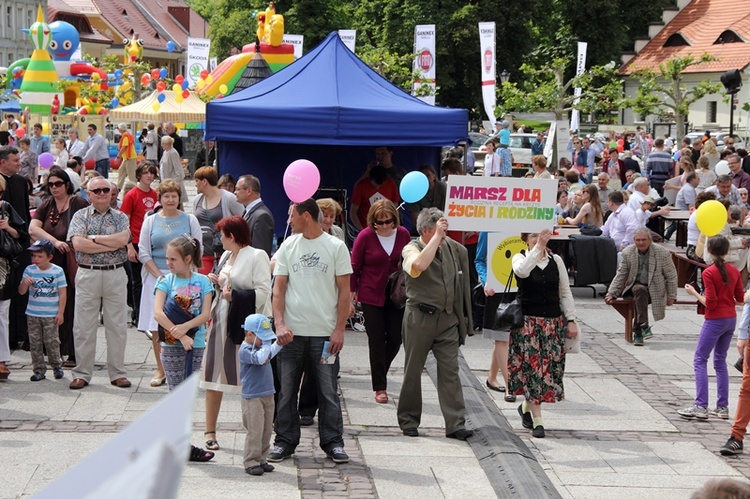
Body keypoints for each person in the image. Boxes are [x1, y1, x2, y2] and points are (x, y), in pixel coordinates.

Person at [269, 198, 352, 464]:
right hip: (291, 335)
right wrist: (279, 324)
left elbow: (344, 293)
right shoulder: (288, 246)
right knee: (286, 392)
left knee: (328, 392)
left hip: (325, 336)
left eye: (292, 215)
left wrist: (339, 330)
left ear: (305, 216)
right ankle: (284, 441)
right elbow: (278, 289)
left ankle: (333, 442)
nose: (289, 221)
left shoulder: (336, 247)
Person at [398, 208, 473, 440]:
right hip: (419, 318)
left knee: (450, 371)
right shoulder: (411, 248)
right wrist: (436, 240)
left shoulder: (454, 249)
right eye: (437, 232)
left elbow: (461, 284)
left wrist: (464, 319)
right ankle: (409, 420)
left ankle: (455, 423)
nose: (443, 236)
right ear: (424, 231)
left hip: (447, 320)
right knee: (413, 370)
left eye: (444, 231)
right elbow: (418, 266)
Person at [202, 216, 271, 452]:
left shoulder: (257, 255)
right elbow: (224, 286)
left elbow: (263, 292)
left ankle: (254, 433)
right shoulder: (224, 256)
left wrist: (234, 295)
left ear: (231, 236)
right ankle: (210, 431)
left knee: (248, 380)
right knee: (214, 374)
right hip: (221, 320)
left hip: (245, 327)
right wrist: (217, 282)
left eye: (222, 235)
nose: (219, 240)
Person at [510, 229, 578, 438]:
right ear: (525, 239)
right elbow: (522, 272)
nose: (538, 238)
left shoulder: (556, 260)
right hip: (528, 324)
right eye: (533, 236)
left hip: (552, 324)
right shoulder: (519, 257)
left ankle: (526, 408)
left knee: (547, 371)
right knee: (533, 371)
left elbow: (564, 291)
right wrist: (537, 247)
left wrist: (571, 319)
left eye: (540, 235)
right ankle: (538, 421)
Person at [153, 235, 215, 463]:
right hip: (171, 346)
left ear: (188, 258)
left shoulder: (203, 282)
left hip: (195, 343)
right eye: (167, 258)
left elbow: (206, 314)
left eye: (173, 259)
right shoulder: (165, 282)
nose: (168, 263)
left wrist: (185, 331)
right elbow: (158, 313)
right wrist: (179, 336)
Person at [67, 177, 131, 389]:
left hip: (115, 274)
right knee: (83, 326)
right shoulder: (79, 215)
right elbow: (78, 244)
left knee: (117, 326)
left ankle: (118, 373)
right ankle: (82, 373)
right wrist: (108, 243)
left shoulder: (120, 216)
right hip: (88, 274)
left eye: (106, 190)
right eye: (97, 190)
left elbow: (123, 240)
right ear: (88, 194)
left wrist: (92, 239)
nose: (103, 193)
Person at [139, 179, 202, 387]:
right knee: (158, 324)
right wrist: (159, 275)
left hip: (184, 277)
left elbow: (196, 247)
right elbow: (143, 251)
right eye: (166, 196)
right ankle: (161, 369)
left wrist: (187, 271)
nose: (170, 199)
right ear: (160, 199)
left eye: (174, 196)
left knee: (185, 320)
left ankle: (185, 367)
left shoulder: (189, 219)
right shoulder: (150, 220)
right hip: (157, 276)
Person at [351, 199, 410, 403]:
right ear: (373, 221)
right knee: (376, 340)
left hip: (395, 294)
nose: (385, 226)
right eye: (380, 222)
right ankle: (380, 386)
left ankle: (380, 371)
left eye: (388, 221)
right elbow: (355, 267)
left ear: (395, 219)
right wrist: (351, 293)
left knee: (395, 338)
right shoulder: (365, 236)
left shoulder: (403, 234)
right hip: (370, 294)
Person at [678, 236, 743, 421]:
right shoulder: (734, 271)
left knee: (700, 359)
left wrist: (694, 293)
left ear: (709, 251)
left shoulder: (709, 272)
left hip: (715, 319)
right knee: (720, 361)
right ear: (726, 251)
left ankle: (701, 405)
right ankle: (722, 407)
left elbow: (711, 304)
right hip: (731, 318)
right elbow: (739, 296)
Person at [29, 169, 89, 367]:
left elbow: (86, 227)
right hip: (52, 262)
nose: (54, 187)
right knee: (53, 304)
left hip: (73, 261)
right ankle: (55, 351)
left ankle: (73, 352)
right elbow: (33, 228)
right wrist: (55, 241)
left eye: (58, 184)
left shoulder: (78, 203)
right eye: (51, 184)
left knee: (72, 305)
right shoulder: (47, 205)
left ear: (67, 184)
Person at [605, 227, 678, 345]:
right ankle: (644, 325)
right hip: (634, 287)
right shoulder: (628, 252)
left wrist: (671, 295)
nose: (641, 243)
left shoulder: (662, 253)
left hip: (655, 288)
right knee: (639, 290)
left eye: (644, 239)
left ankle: (638, 331)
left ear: (650, 240)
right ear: (634, 241)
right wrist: (612, 293)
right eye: (637, 240)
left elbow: (671, 276)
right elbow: (621, 274)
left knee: (640, 297)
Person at [239, 313, 282, 476]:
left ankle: (262, 459)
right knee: (255, 430)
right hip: (253, 397)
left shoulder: (260, 347)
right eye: (262, 338)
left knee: (266, 429)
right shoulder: (246, 350)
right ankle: (251, 460)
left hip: (268, 393)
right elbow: (262, 357)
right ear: (249, 334)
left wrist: (279, 342)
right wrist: (266, 344)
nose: (265, 341)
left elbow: (270, 353)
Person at [18, 239, 66, 382]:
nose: (36, 259)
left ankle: (56, 365)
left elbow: (62, 292)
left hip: (50, 314)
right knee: (35, 342)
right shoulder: (29, 270)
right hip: (33, 313)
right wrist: (24, 284)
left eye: (40, 256)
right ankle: (38, 369)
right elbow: (21, 292)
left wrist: (60, 312)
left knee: (52, 341)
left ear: (50, 257)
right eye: (34, 256)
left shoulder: (57, 271)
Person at [475, 232, 514, 401]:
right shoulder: (489, 227)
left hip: (519, 287)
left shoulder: (527, 222)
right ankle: (510, 385)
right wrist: (486, 281)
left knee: (505, 338)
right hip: (497, 286)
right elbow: (479, 259)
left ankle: (492, 377)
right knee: (502, 338)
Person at [121, 161, 159, 326]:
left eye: (151, 173)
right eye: (145, 173)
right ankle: (137, 314)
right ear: (139, 176)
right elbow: (125, 222)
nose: (149, 176)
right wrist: (129, 246)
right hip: (136, 241)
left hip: (152, 242)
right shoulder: (131, 195)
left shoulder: (155, 194)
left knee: (151, 278)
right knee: (137, 280)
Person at [192, 166, 245, 273]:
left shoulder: (229, 198)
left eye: (197, 181)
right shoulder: (197, 199)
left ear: (204, 182)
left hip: (224, 252)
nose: (195, 184)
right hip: (203, 252)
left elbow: (244, 220)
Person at [0, 173, 27, 379]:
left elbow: (22, 234)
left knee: (2, 315)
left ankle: (1, 360)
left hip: (3, 267)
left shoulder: (5, 208)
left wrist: (7, 227)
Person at [350, 164, 399, 232]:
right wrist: (361, 230)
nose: (377, 187)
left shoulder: (391, 184)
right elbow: (353, 212)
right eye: (375, 184)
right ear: (370, 178)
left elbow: (395, 208)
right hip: (366, 228)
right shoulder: (360, 186)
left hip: (387, 229)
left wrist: (393, 227)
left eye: (380, 185)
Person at [235, 174, 274, 257]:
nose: (235, 192)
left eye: (238, 189)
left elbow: (260, 253)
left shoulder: (262, 216)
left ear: (249, 191)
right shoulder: (248, 212)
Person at [159, 136, 188, 203]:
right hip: (166, 180)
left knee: (178, 202)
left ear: (167, 144)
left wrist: (174, 182)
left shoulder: (173, 153)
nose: (161, 145)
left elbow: (178, 169)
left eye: (163, 143)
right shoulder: (165, 152)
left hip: (172, 182)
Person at [116, 123, 137, 192]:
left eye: (118, 128)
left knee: (131, 175)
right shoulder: (126, 135)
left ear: (121, 129)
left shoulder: (125, 136)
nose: (118, 130)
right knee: (121, 171)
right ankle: (118, 188)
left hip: (130, 157)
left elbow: (124, 147)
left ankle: (135, 189)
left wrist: (118, 156)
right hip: (127, 158)